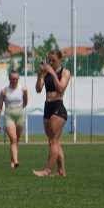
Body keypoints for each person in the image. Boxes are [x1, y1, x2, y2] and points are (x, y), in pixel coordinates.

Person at [34, 49, 71, 177]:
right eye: (49, 60)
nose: (51, 62)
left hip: (58, 107)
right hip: (47, 106)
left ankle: (48, 170)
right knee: (52, 140)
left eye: (53, 60)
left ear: (60, 60)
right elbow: (38, 89)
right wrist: (41, 75)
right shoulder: (46, 73)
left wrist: (53, 74)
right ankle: (61, 171)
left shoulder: (65, 72)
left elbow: (61, 87)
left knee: (53, 140)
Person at [0, 70, 28, 168]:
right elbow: (0, 106)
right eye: (13, 79)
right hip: (9, 115)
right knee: (13, 139)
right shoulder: (4, 91)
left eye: (16, 79)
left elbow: (25, 102)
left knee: (16, 140)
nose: (15, 81)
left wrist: (19, 109)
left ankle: (12, 161)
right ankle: (16, 161)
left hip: (19, 115)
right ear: (9, 79)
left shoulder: (23, 90)